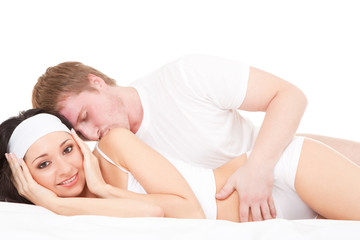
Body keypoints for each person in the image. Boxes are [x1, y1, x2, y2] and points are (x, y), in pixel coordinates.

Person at [31, 54, 360, 222]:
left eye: (86, 116)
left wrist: (259, 167)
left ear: (97, 82)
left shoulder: (185, 76)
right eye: (78, 132)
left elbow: (289, 96)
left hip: (274, 162)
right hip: (264, 200)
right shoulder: (109, 155)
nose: (90, 133)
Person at [1, 109, 360, 221]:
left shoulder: (113, 144)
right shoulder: (69, 211)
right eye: (44, 163)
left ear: (80, 143)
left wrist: (103, 189)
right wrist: (56, 204)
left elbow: (187, 212)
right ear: (23, 177)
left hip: (282, 175)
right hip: (275, 208)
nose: (65, 169)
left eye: (67, 149)